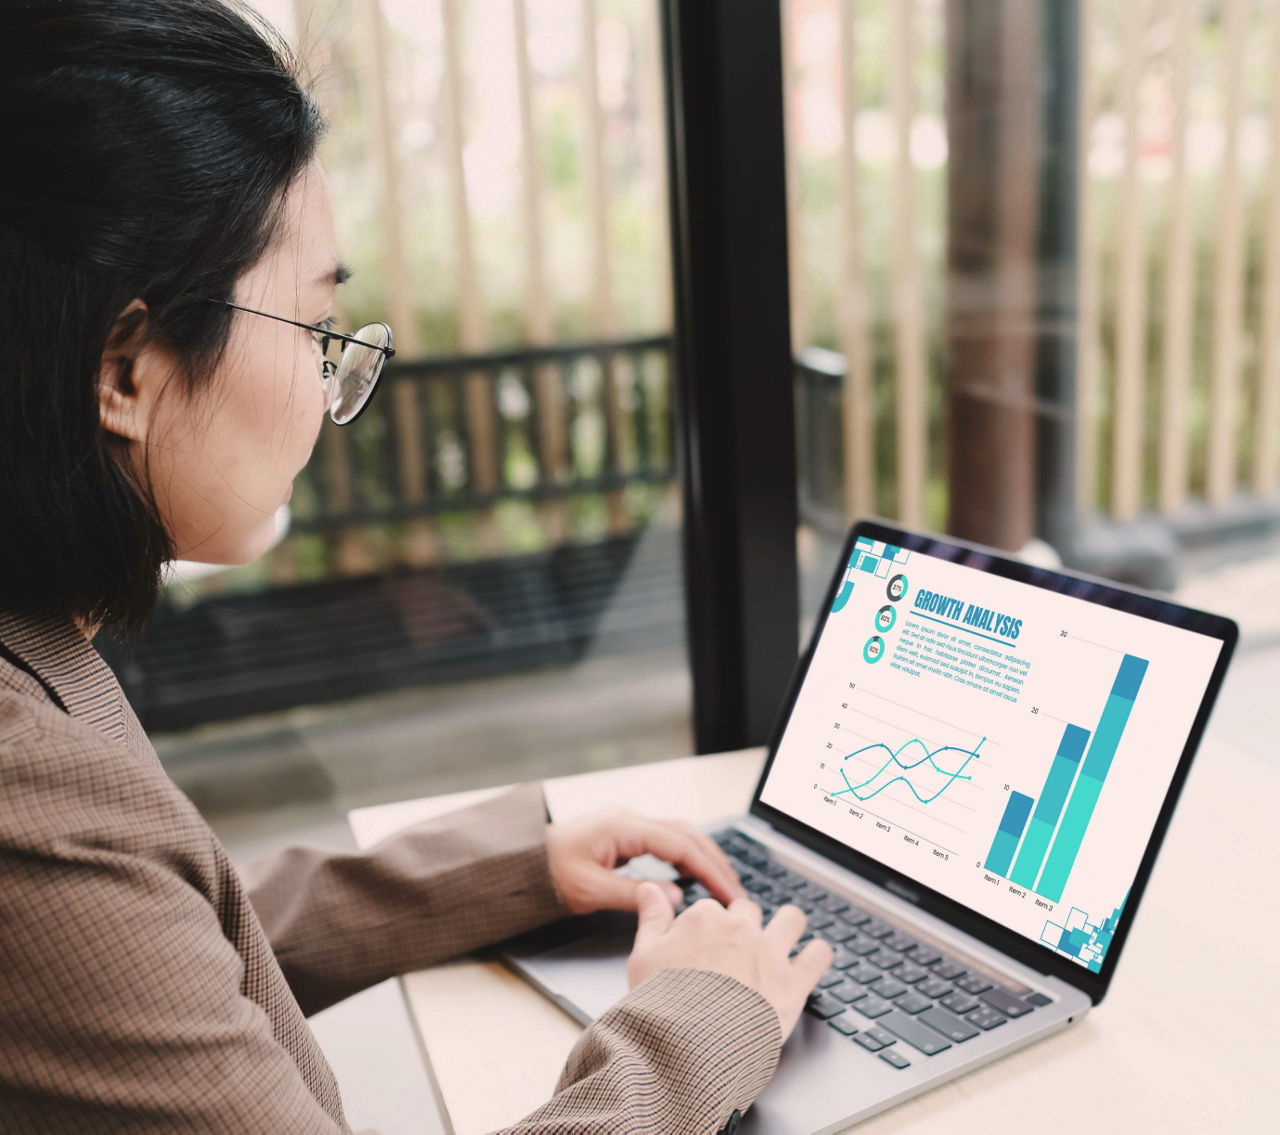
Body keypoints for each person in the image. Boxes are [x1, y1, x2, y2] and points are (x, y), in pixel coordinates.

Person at [0, 2, 833, 1132]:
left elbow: (155, 950)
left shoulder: (37, 665)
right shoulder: (29, 793)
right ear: (126, 371)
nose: (326, 389)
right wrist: (695, 1024)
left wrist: (509, 873)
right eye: (312, 325)